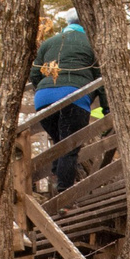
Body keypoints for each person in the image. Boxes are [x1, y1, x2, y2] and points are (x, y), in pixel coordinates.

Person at [30, 10, 102, 190]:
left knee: (59, 144)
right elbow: (101, 79)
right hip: (74, 97)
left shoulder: (48, 43)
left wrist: (46, 89)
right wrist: (107, 109)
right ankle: (64, 198)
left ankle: (56, 177)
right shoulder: (92, 44)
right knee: (69, 148)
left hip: (43, 99)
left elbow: (34, 74)